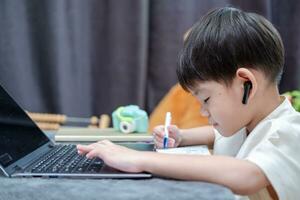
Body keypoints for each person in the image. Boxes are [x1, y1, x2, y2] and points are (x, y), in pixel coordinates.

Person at [77, 7, 300, 200]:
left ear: (246, 84)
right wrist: (183, 136)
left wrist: (137, 159)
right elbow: (219, 135)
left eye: (206, 99)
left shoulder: (290, 132)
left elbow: (247, 174)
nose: (203, 111)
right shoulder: (250, 121)